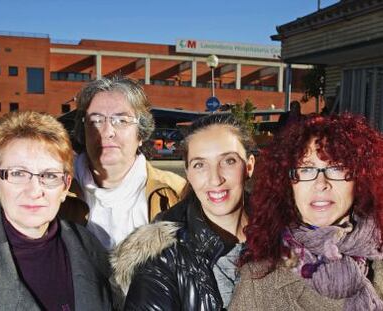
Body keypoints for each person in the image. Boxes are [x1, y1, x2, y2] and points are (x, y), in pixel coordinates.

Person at [229, 113, 383, 310]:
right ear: (288, 183)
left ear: (359, 178)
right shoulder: (258, 280)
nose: (321, 184)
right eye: (307, 169)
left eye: (336, 167)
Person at [0, 111, 112, 310]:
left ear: (65, 187)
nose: (35, 191)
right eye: (18, 173)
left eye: (50, 175)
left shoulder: (90, 246)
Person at [111, 114, 256, 310]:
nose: (215, 179)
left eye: (228, 161)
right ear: (188, 173)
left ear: (249, 166)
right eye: (200, 165)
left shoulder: (287, 237)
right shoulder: (161, 256)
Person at [59, 76, 186, 250]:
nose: (107, 132)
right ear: (83, 130)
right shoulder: (55, 190)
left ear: (140, 134)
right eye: (96, 121)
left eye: (121, 121)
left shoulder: (177, 192)